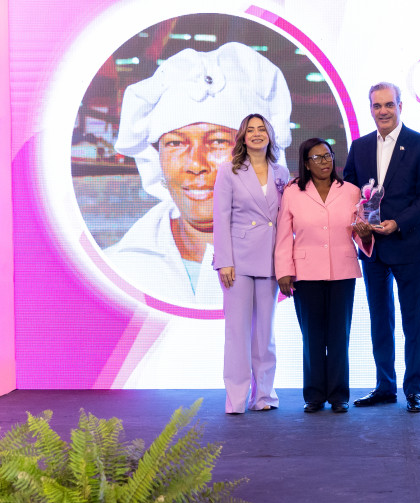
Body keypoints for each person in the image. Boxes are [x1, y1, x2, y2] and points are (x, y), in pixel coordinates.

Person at [108, 42, 292, 306]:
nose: (195, 164)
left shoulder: (312, 266)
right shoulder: (116, 268)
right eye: (175, 143)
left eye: (218, 141)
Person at [343, 82, 420, 413]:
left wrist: (398, 222)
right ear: (370, 108)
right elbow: (350, 193)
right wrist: (357, 222)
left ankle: (414, 389)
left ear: (400, 106)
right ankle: (385, 386)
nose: (382, 111)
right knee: (379, 320)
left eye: (388, 104)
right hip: (372, 248)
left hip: (408, 245)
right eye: (376, 105)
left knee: (414, 322)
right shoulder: (359, 147)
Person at [275, 138, 373, 413]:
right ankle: (315, 395)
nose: (324, 161)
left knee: (339, 336)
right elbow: (284, 235)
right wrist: (284, 271)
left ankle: (339, 395)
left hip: (342, 271)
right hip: (305, 273)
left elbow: (359, 231)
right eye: (317, 157)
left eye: (328, 155)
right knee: (312, 337)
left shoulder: (351, 191)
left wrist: (365, 237)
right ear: (306, 163)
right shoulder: (293, 192)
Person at [213, 113, 291, 414]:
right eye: (251, 130)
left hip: (271, 260)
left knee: (265, 333)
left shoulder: (281, 172)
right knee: (237, 333)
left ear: (270, 135)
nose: (257, 134)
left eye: (262, 129)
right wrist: (224, 261)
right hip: (238, 261)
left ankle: (264, 396)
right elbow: (221, 218)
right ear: (243, 138)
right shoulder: (229, 171)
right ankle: (236, 398)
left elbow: (285, 219)